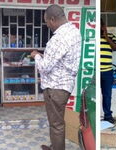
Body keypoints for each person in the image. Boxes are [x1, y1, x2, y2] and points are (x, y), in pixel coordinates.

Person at [30, 5, 81, 150]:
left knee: (56, 124)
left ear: (52, 19)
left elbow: (45, 67)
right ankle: (54, 146)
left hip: (55, 87)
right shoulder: (75, 32)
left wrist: (36, 56)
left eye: (46, 21)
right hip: (64, 85)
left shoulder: (58, 38)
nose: (47, 25)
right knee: (56, 121)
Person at [100, 19, 116, 124]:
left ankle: (108, 116)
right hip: (95, 72)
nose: (101, 28)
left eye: (102, 25)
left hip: (107, 72)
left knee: (107, 95)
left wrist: (107, 37)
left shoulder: (110, 37)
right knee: (92, 95)